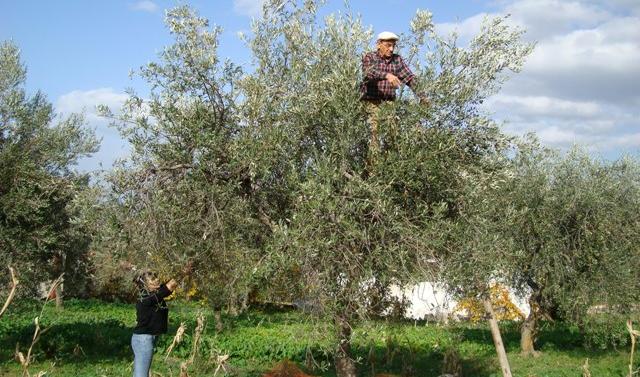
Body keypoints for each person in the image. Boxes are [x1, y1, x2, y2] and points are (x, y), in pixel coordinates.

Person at [361, 31, 427, 156]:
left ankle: (389, 168)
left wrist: (422, 96)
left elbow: (409, 78)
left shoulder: (397, 60)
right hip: (371, 102)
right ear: (379, 44)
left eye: (393, 46)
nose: (391, 49)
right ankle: (373, 170)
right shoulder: (370, 57)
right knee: (374, 135)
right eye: (388, 45)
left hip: (389, 104)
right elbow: (368, 73)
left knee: (393, 136)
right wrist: (387, 75)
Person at [131, 270, 177, 377]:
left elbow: (167, 287)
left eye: (156, 278)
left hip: (147, 338)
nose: (157, 280)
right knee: (141, 375)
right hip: (143, 339)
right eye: (153, 279)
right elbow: (167, 288)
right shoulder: (145, 297)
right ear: (145, 284)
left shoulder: (152, 294)